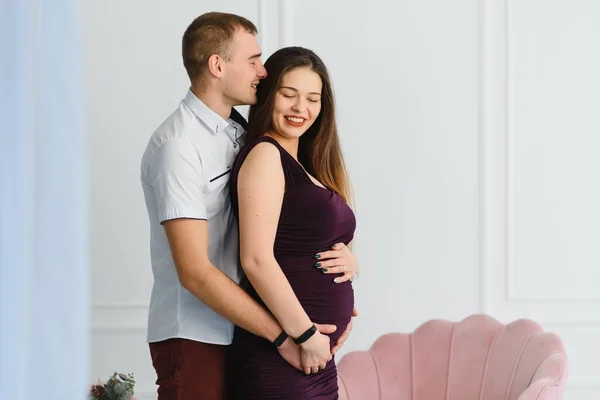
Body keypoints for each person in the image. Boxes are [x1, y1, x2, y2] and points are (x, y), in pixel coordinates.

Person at [139, 12, 359, 400]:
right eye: (254, 60)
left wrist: (344, 268)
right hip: (197, 333)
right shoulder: (179, 148)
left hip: (246, 330)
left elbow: (285, 227)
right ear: (218, 65)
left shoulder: (237, 132)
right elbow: (195, 271)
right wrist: (290, 334)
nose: (262, 71)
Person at [227, 46, 357, 399]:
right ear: (269, 96)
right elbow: (255, 259)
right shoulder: (266, 155)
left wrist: (348, 262)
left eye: (313, 98)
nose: (301, 108)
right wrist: (305, 334)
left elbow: (305, 240)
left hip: (313, 356)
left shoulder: (305, 165)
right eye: (289, 95)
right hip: (283, 354)